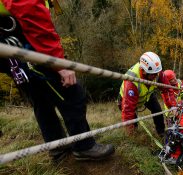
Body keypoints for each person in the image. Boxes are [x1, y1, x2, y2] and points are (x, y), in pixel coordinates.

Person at [0, 0, 115, 161]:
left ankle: (57, 146)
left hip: (14, 54)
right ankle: (84, 146)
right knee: (73, 94)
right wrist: (59, 64)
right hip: (28, 51)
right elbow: (32, 15)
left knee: (41, 100)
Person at [118, 52, 177, 136]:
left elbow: (167, 89)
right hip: (127, 99)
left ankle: (161, 133)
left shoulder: (156, 71)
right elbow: (128, 110)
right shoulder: (131, 82)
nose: (156, 76)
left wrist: (172, 106)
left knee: (158, 111)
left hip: (147, 94)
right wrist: (130, 132)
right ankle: (133, 138)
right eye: (153, 75)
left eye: (157, 73)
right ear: (143, 71)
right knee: (133, 122)